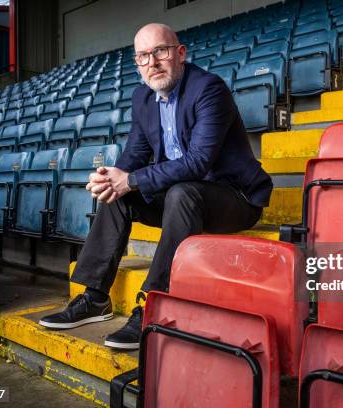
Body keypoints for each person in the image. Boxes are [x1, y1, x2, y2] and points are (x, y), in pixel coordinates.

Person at [38, 23, 273, 349]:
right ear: (137, 63)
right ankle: (94, 297)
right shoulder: (143, 98)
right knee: (117, 195)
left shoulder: (209, 89)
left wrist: (131, 180)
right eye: (143, 56)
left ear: (179, 53)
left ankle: (155, 302)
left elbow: (198, 162)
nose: (153, 62)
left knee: (177, 190)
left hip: (234, 198)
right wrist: (112, 177)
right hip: (182, 202)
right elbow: (136, 153)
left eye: (160, 51)